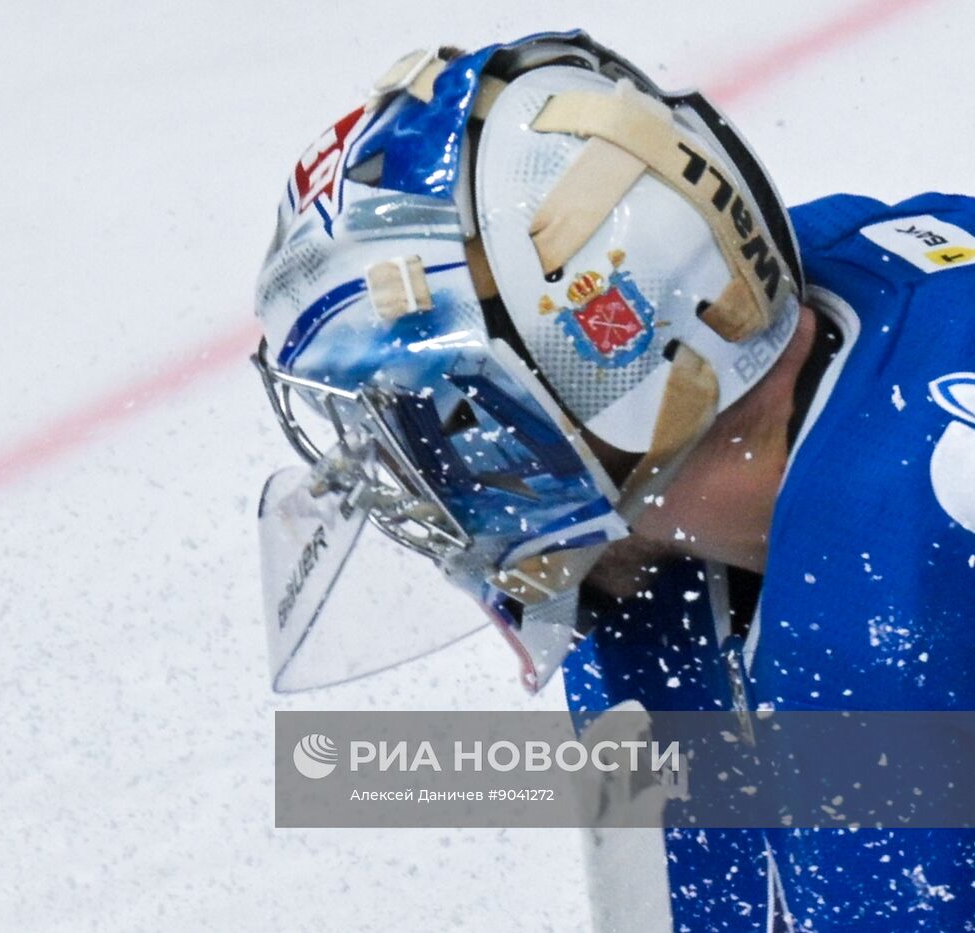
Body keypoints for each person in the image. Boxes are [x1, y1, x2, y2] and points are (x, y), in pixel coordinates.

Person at [251, 32, 975, 931]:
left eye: (440, 419)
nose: (411, 482)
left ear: (604, 383)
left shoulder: (889, 612)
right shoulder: (840, 318)